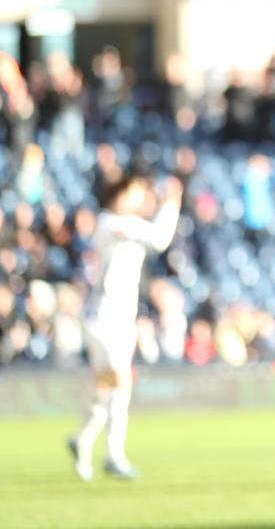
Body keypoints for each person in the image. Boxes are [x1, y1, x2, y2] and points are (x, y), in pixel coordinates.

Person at [68, 172, 182, 481]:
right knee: (119, 382)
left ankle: (82, 439)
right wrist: (171, 203)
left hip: (122, 318)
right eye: (136, 191)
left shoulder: (128, 228)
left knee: (106, 388)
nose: (141, 198)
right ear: (119, 195)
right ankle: (113, 455)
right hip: (103, 317)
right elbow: (160, 238)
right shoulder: (110, 223)